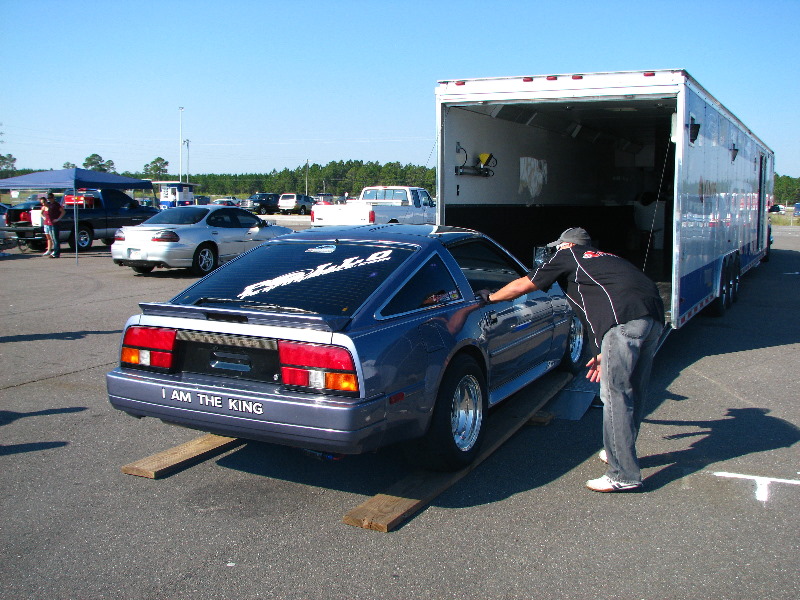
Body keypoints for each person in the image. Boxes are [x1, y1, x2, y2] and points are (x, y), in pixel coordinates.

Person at [478, 227, 664, 492]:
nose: (554, 251)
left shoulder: (568, 256)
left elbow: (525, 284)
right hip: (652, 320)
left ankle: (623, 474)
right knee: (633, 390)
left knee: (614, 396)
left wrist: (490, 297)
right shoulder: (607, 258)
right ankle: (619, 454)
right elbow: (602, 304)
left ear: (566, 245)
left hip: (623, 325)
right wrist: (601, 351)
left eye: (557, 247)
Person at [45, 193, 65, 258]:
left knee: (56, 239)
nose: (49, 199)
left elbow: (63, 212)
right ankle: (54, 251)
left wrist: (58, 219)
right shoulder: (49, 205)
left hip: (55, 224)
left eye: (50, 198)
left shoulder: (56, 205)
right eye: (48, 198)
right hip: (49, 223)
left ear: (53, 198)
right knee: (52, 239)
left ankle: (56, 253)